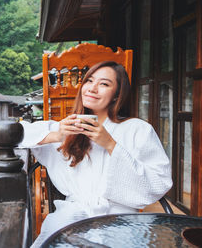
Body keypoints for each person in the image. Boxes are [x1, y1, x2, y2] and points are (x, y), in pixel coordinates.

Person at [20, 61, 173, 247]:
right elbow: (15, 134)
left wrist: (110, 144)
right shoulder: (68, 127)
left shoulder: (137, 129)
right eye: (89, 81)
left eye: (104, 84)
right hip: (72, 216)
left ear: (117, 95)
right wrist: (57, 134)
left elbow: (158, 182)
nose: (92, 88)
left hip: (122, 221)